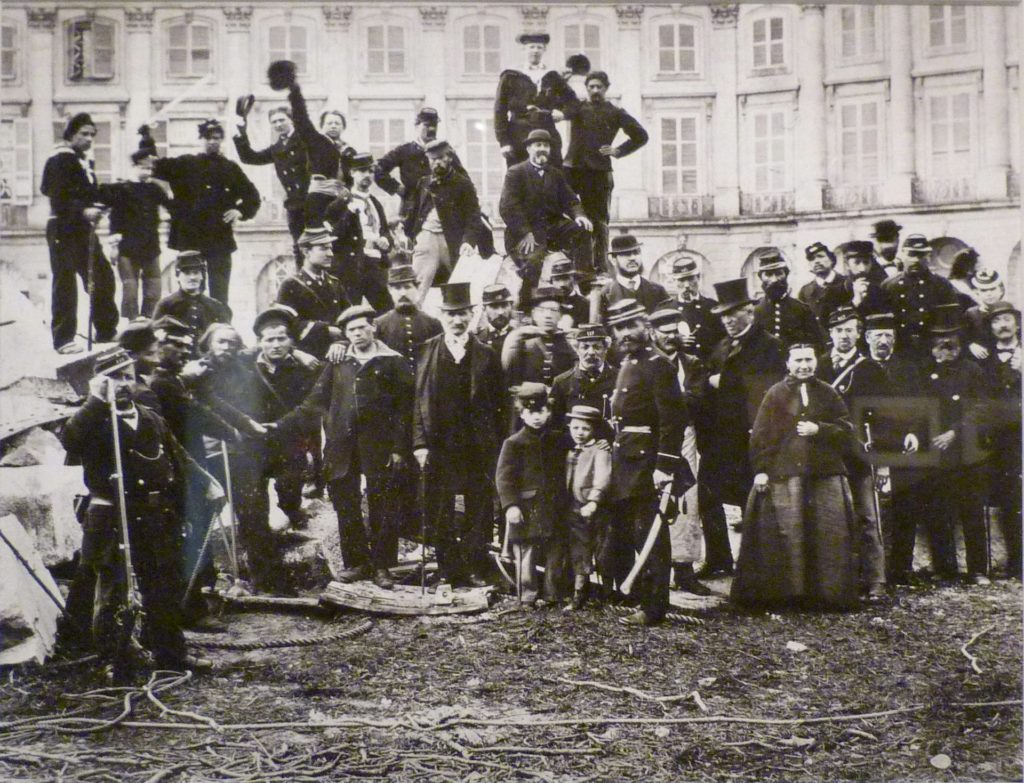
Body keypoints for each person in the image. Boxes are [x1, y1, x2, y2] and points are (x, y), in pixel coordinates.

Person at [61, 349, 220, 678]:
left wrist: (208, 483)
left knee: (162, 585)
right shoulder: (94, 420)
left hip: (154, 514)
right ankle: (113, 659)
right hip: (112, 516)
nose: (121, 385)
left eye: (127, 377)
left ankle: (170, 654)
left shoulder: (151, 417)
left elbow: (178, 455)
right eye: (113, 378)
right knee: (112, 588)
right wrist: (94, 401)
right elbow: (70, 442)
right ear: (100, 382)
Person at [276, 305, 414, 589]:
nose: (358, 334)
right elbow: (316, 400)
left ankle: (383, 566)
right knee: (346, 505)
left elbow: (405, 410)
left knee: (382, 505)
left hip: (380, 447)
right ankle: (357, 564)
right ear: (346, 334)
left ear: (373, 327)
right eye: (351, 330)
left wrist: (400, 448)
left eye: (362, 327)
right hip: (341, 448)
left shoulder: (392, 362)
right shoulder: (339, 361)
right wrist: (281, 427)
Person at [732, 343, 860, 610]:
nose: (804, 365)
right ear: (788, 364)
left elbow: (847, 430)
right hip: (786, 475)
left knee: (827, 533)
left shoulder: (827, 392)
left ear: (816, 361)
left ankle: (825, 595)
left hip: (824, 474)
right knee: (789, 533)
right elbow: (760, 436)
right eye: (798, 360)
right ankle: (787, 596)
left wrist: (820, 429)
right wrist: (762, 470)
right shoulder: (775, 394)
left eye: (809, 359)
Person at [891, 305, 992, 585]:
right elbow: (921, 409)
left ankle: (977, 570)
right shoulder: (926, 373)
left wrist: (955, 433)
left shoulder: (973, 370)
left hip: (969, 451)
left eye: (951, 338)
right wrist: (915, 433)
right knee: (939, 511)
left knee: (971, 511)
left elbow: (981, 408)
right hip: (937, 453)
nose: (945, 343)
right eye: (939, 338)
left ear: (960, 339)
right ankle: (945, 567)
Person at [413, 283, 506, 587]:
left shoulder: (486, 354)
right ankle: (448, 570)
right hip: (439, 446)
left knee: (479, 507)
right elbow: (417, 402)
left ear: (472, 314)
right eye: (451, 314)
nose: (457, 320)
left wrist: (497, 446)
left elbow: (500, 404)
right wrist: (420, 443)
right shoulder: (427, 351)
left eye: (462, 313)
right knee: (440, 508)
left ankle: (475, 567)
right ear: (442, 316)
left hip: (476, 446)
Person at [697, 278, 787, 580]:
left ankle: (757, 565)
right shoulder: (721, 347)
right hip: (719, 436)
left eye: (734, 314)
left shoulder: (769, 346)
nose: (728, 322)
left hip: (751, 436)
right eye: (723, 316)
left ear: (750, 311)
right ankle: (719, 557)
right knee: (708, 495)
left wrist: (724, 384)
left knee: (754, 499)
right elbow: (704, 382)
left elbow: (770, 392)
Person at [604, 299, 686, 626]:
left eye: (631, 325)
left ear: (645, 325)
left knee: (650, 534)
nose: (625, 333)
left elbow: (673, 420)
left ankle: (654, 607)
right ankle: (639, 596)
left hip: (648, 462)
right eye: (619, 328)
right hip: (626, 459)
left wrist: (664, 467)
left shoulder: (658, 365)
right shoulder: (628, 362)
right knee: (632, 532)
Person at [815, 306, 892, 602]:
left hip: (860, 454)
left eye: (849, 330)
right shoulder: (819, 365)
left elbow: (885, 417)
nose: (843, 336)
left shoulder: (870, 369)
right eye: (838, 331)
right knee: (832, 518)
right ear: (830, 334)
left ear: (859, 334)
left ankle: (876, 580)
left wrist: (883, 461)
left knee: (868, 518)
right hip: (827, 453)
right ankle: (840, 579)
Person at [150, 120, 261, 306]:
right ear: (200, 140)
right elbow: (155, 165)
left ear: (221, 141)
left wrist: (240, 211)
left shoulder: (230, 168)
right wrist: (146, 136)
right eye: (208, 138)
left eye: (216, 138)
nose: (212, 142)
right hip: (190, 238)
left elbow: (253, 197)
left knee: (220, 293)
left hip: (219, 239)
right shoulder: (185, 164)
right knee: (191, 290)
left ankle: (220, 329)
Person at [40, 112, 119, 352]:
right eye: (84, 134)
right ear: (71, 134)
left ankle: (105, 331)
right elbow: (54, 194)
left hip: (82, 230)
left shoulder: (83, 163)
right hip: (62, 228)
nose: (89, 139)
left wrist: (105, 201)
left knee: (102, 277)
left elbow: (90, 194)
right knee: (65, 282)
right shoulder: (59, 160)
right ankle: (64, 340)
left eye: (92, 135)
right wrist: (83, 210)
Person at [647, 306, 712, 597]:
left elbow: (695, 400)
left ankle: (684, 569)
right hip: (652, 439)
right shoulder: (645, 363)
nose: (671, 336)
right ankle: (649, 571)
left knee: (687, 502)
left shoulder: (693, 364)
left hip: (684, 436)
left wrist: (667, 404)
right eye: (665, 331)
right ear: (652, 333)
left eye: (676, 330)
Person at [562, 69, 648, 274]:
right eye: (591, 87)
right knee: (568, 218)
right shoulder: (577, 108)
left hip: (598, 173)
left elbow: (641, 136)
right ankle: (570, 263)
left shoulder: (615, 112)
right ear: (586, 89)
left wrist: (618, 151)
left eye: (599, 87)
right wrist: (563, 81)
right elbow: (560, 103)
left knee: (599, 222)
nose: (595, 90)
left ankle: (599, 267)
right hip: (572, 171)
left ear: (606, 89)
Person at [495, 383, 569, 608]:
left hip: (555, 504)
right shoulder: (514, 443)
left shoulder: (558, 439)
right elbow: (504, 478)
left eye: (541, 411)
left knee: (555, 550)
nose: (536, 417)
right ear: (522, 414)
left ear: (548, 412)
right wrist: (511, 506)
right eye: (530, 412)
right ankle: (527, 594)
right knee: (526, 551)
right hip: (527, 506)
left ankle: (552, 593)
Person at [499, 128, 594, 300]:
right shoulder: (515, 173)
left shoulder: (556, 174)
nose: (542, 148)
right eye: (537, 145)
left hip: (553, 227)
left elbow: (571, 200)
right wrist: (525, 232)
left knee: (583, 230)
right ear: (529, 149)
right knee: (533, 262)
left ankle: (584, 282)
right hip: (526, 232)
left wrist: (580, 215)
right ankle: (526, 306)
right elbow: (508, 207)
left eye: (545, 145)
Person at [406, 139, 491, 301]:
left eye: (440, 158)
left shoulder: (463, 184)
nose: (436, 162)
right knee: (416, 287)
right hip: (426, 238)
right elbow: (414, 211)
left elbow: (474, 216)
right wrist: (410, 234)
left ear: (449, 157)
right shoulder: (423, 182)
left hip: (453, 241)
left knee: (461, 286)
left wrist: (468, 241)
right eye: (432, 159)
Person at [98, 145, 173, 319]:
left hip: (151, 247)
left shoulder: (155, 189)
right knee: (130, 291)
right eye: (142, 167)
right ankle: (132, 326)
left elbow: (172, 207)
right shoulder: (123, 189)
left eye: (149, 168)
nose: (147, 171)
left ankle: (149, 323)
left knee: (153, 291)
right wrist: (114, 247)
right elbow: (114, 220)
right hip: (127, 249)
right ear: (134, 167)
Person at [233, 104, 309, 264]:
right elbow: (249, 157)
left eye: (281, 120)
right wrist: (241, 132)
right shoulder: (277, 148)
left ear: (292, 120)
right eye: (274, 122)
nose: (278, 124)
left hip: (314, 203)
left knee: (319, 246)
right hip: (295, 207)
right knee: (299, 249)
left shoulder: (306, 140)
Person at [980, 301, 1022, 579]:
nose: (1002, 325)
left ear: (1017, 323)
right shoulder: (986, 361)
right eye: (996, 321)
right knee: (1008, 500)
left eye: (1007, 319)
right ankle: (1015, 561)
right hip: (1001, 440)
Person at [494, 33, 578, 168]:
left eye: (539, 47)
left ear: (544, 50)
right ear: (524, 50)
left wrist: (563, 114)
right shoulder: (510, 76)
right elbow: (499, 110)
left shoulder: (552, 76)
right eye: (531, 47)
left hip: (547, 132)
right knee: (520, 177)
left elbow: (574, 103)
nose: (535, 51)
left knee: (553, 176)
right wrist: (503, 142)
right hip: (518, 135)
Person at [374, 107, 465, 224]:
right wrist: (397, 188)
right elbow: (378, 169)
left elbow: (462, 177)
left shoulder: (446, 151)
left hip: (440, 209)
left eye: (434, 125)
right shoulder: (404, 150)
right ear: (417, 126)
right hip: (412, 209)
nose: (431, 129)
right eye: (426, 125)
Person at [274, 227, 351, 361]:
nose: (330, 254)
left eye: (330, 248)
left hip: (338, 355)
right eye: (323, 248)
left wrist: (341, 343)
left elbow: (350, 317)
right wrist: (325, 330)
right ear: (306, 252)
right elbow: (284, 324)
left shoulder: (335, 283)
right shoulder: (291, 284)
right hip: (306, 358)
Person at [563, 404, 613, 610]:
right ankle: (579, 593)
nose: (580, 433)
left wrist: (594, 500)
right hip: (574, 507)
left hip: (594, 508)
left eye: (585, 429)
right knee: (578, 550)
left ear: (593, 430)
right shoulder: (571, 451)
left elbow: (603, 476)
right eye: (575, 428)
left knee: (602, 550)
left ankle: (608, 593)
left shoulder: (600, 451)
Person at [880, 234, 960, 360]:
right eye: (911, 255)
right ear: (902, 255)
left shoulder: (941, 285)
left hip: (932, 350)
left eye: (921, 255)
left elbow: (951, 322)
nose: (916, 260)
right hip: (899, 350)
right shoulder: (889, 286)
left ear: (928, 257)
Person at [152, 252, 232, 353]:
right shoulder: (166, 305)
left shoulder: (215, 306)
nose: (192, 277)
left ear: (202, 276)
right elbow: (155, 335)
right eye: (187, 273)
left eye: (196, 272)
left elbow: (228, 334)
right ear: (177, 276)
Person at [502, 286, 577, 390]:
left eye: (553, 310)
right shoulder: (520, 340)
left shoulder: (569, 342)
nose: (548, 316)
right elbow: (512, 377)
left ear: (560, 315)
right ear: (534, 314)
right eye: (542, 310)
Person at [374, 263, 443, 373]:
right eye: (397, 288)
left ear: (417, 288)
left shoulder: (433, 323)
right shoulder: (379, 324)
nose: (403, 293)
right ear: (390, 290)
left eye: (407, 287)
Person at [752, 249, 826, 351]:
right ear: (760, 277)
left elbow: (818, 346)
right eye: (768, 275)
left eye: (779, 274)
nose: (774, 280)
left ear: (786, 275)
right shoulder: (754, 311)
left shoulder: (802, 310)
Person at [550, 323, 617, 436]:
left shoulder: (619, 379)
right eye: (585, 347)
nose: (591, 352)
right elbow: (556, 424)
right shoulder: (562, 382)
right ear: (576, 349)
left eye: (597, 347)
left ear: (606, 349)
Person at [348, 153, 393, 311]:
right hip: (352, 267)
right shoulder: (343, 201)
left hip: (375, 266)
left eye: (370, 171)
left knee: (386, 312)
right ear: (352, 173)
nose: (367, 175)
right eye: (362, 171)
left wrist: (386, 241)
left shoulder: (375, 203)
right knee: (350, 314)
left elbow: (385, 231)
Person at [666, 255, 726, 361]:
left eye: (690, 279)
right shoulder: (666, 309)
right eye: (681, 280)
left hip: (710, 370)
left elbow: (724, 340)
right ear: (674, 281)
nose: (687, 285)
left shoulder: (713, 307)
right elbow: (658, 342)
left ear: (698, 278)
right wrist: (676, 340)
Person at [600, 235, 670, 314]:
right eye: (626, 254)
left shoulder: (658, 291)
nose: (633, 258)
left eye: (636, 253)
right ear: (614, 260)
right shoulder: (604, 294)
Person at [798, 242, 850, 328]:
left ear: (832, 260)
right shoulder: (805, 291)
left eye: (820, 256)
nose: (816, 261)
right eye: (812, 259)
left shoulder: (846, 283)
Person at [965, 268, 1008, 361]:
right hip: (982, 362)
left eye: (992, 289)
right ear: (977, 293)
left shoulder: (1010, 312)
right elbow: (963, 336)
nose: (989, 294)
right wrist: (971, 345)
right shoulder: (971, 314)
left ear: (1001, 290)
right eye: (984, 290)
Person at [841, 240, 890, 320]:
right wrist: (856, 300)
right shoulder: (840, 288)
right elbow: (837, 320)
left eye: (866, 262)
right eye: (857, 263)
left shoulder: (881, 288)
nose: (862, 268)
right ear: (847, 265)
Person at [547, 255, 591, 329]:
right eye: (557, 280)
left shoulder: (585, 304)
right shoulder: (548, 304)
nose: (562, 284)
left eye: (565, 279)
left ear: (574, 279)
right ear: (552, 282)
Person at [475, 284, 519, 356]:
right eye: (494, 307)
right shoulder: (476, 338)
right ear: (484, 309)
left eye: (504, 305)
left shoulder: (520, 336)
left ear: (511, 306)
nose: (500, 312)